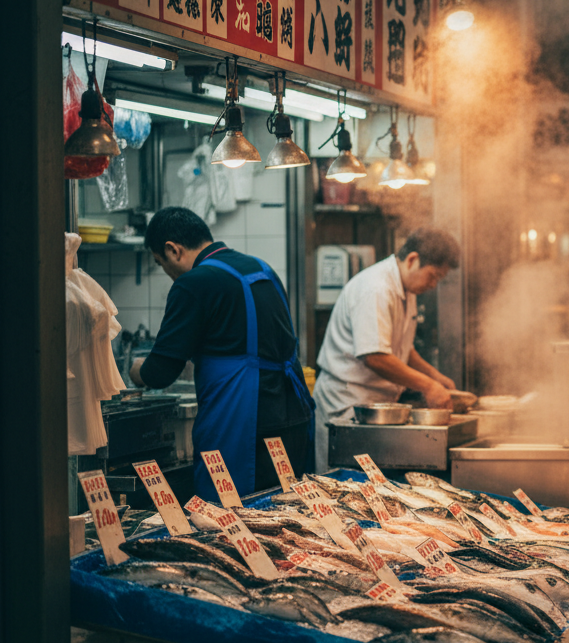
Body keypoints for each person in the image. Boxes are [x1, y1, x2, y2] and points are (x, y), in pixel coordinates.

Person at [132, 207, 314, 499]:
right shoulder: (262, 268)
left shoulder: (193, 284)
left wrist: (136, 370)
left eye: (160, 263)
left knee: (230, 526)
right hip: (292, 418)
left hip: (244, 429)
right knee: (286, 518)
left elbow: (160, 372)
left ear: (172, 250)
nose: (167, 274)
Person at [313, 229, 461, 471]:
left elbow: (402, 349)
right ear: (412, 260)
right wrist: (428, 386)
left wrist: (437, 378)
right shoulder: (376, 288)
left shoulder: (407, 289)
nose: (433, 285)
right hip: (348, 404)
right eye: (433, 276)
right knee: (344, 491)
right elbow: (375, 357)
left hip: (377, 410)